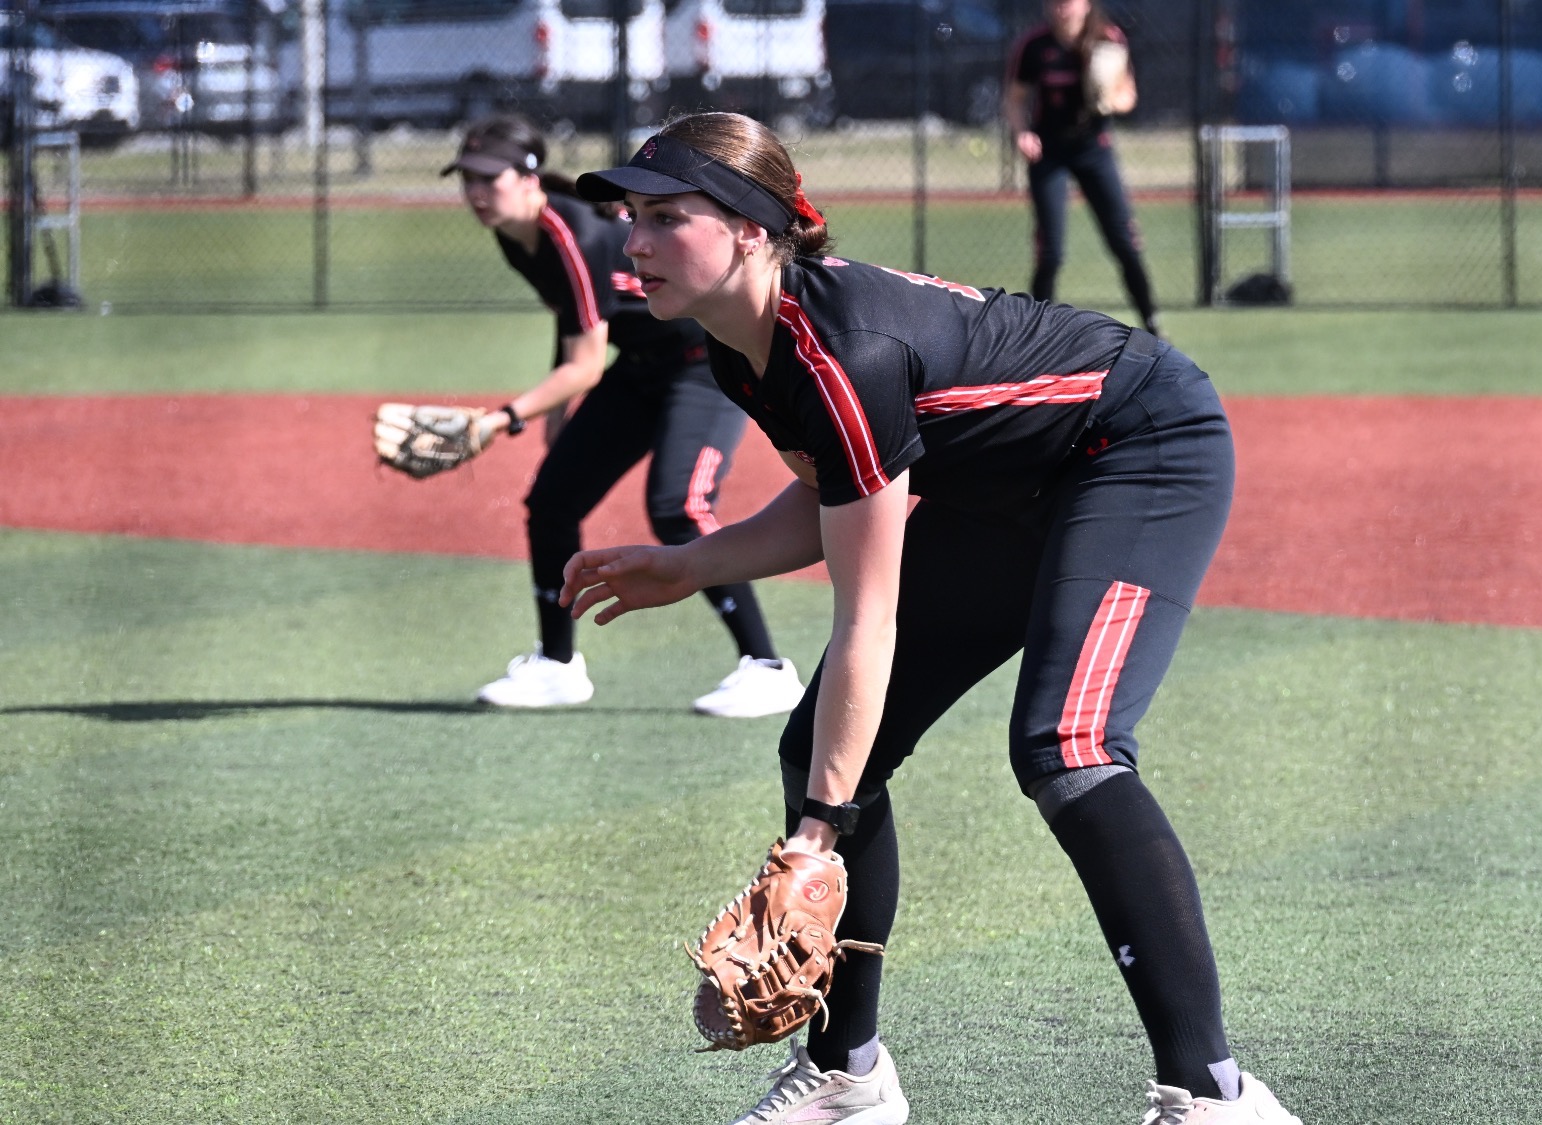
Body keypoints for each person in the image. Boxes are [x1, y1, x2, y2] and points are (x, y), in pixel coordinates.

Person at [558, 113, 1303, 1125]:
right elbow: (836, 497)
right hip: (1005, 486)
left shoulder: (838, 349)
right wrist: (694, 563)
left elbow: (867, 614)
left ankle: (1214, 1095)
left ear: (747, 231)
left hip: (1136, 446)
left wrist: (813, 843)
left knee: (1067, 747)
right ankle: (846, 1076)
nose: (632, 241)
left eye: (664, 217)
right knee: (825, 752)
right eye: (630, 217)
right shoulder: (743, 342)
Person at [443, 114, 805, 718]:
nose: (477, 193)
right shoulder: (515, 232)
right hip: (641, 366)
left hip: (703, 363)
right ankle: (557, 667)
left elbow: (584, 365)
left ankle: (766, 668)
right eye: (467, 179)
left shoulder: (570, 232)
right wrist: (559, 412)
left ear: (529, 178)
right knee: (553, 501)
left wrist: (496, 422)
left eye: (489, 178)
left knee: (677, 506)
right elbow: (577, 324)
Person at [1007, 0, 1161, 338]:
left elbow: (1127, 94)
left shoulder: (1107, 39)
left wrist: (1111, 98)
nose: (1062, 8)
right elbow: (1016, 98)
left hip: (1093, 150)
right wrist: (1023, 134)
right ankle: (1034, 336)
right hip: (1050, 152)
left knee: (1124, 241)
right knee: (1050, 252)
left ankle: (1152, 324)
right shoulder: (1035, 46)